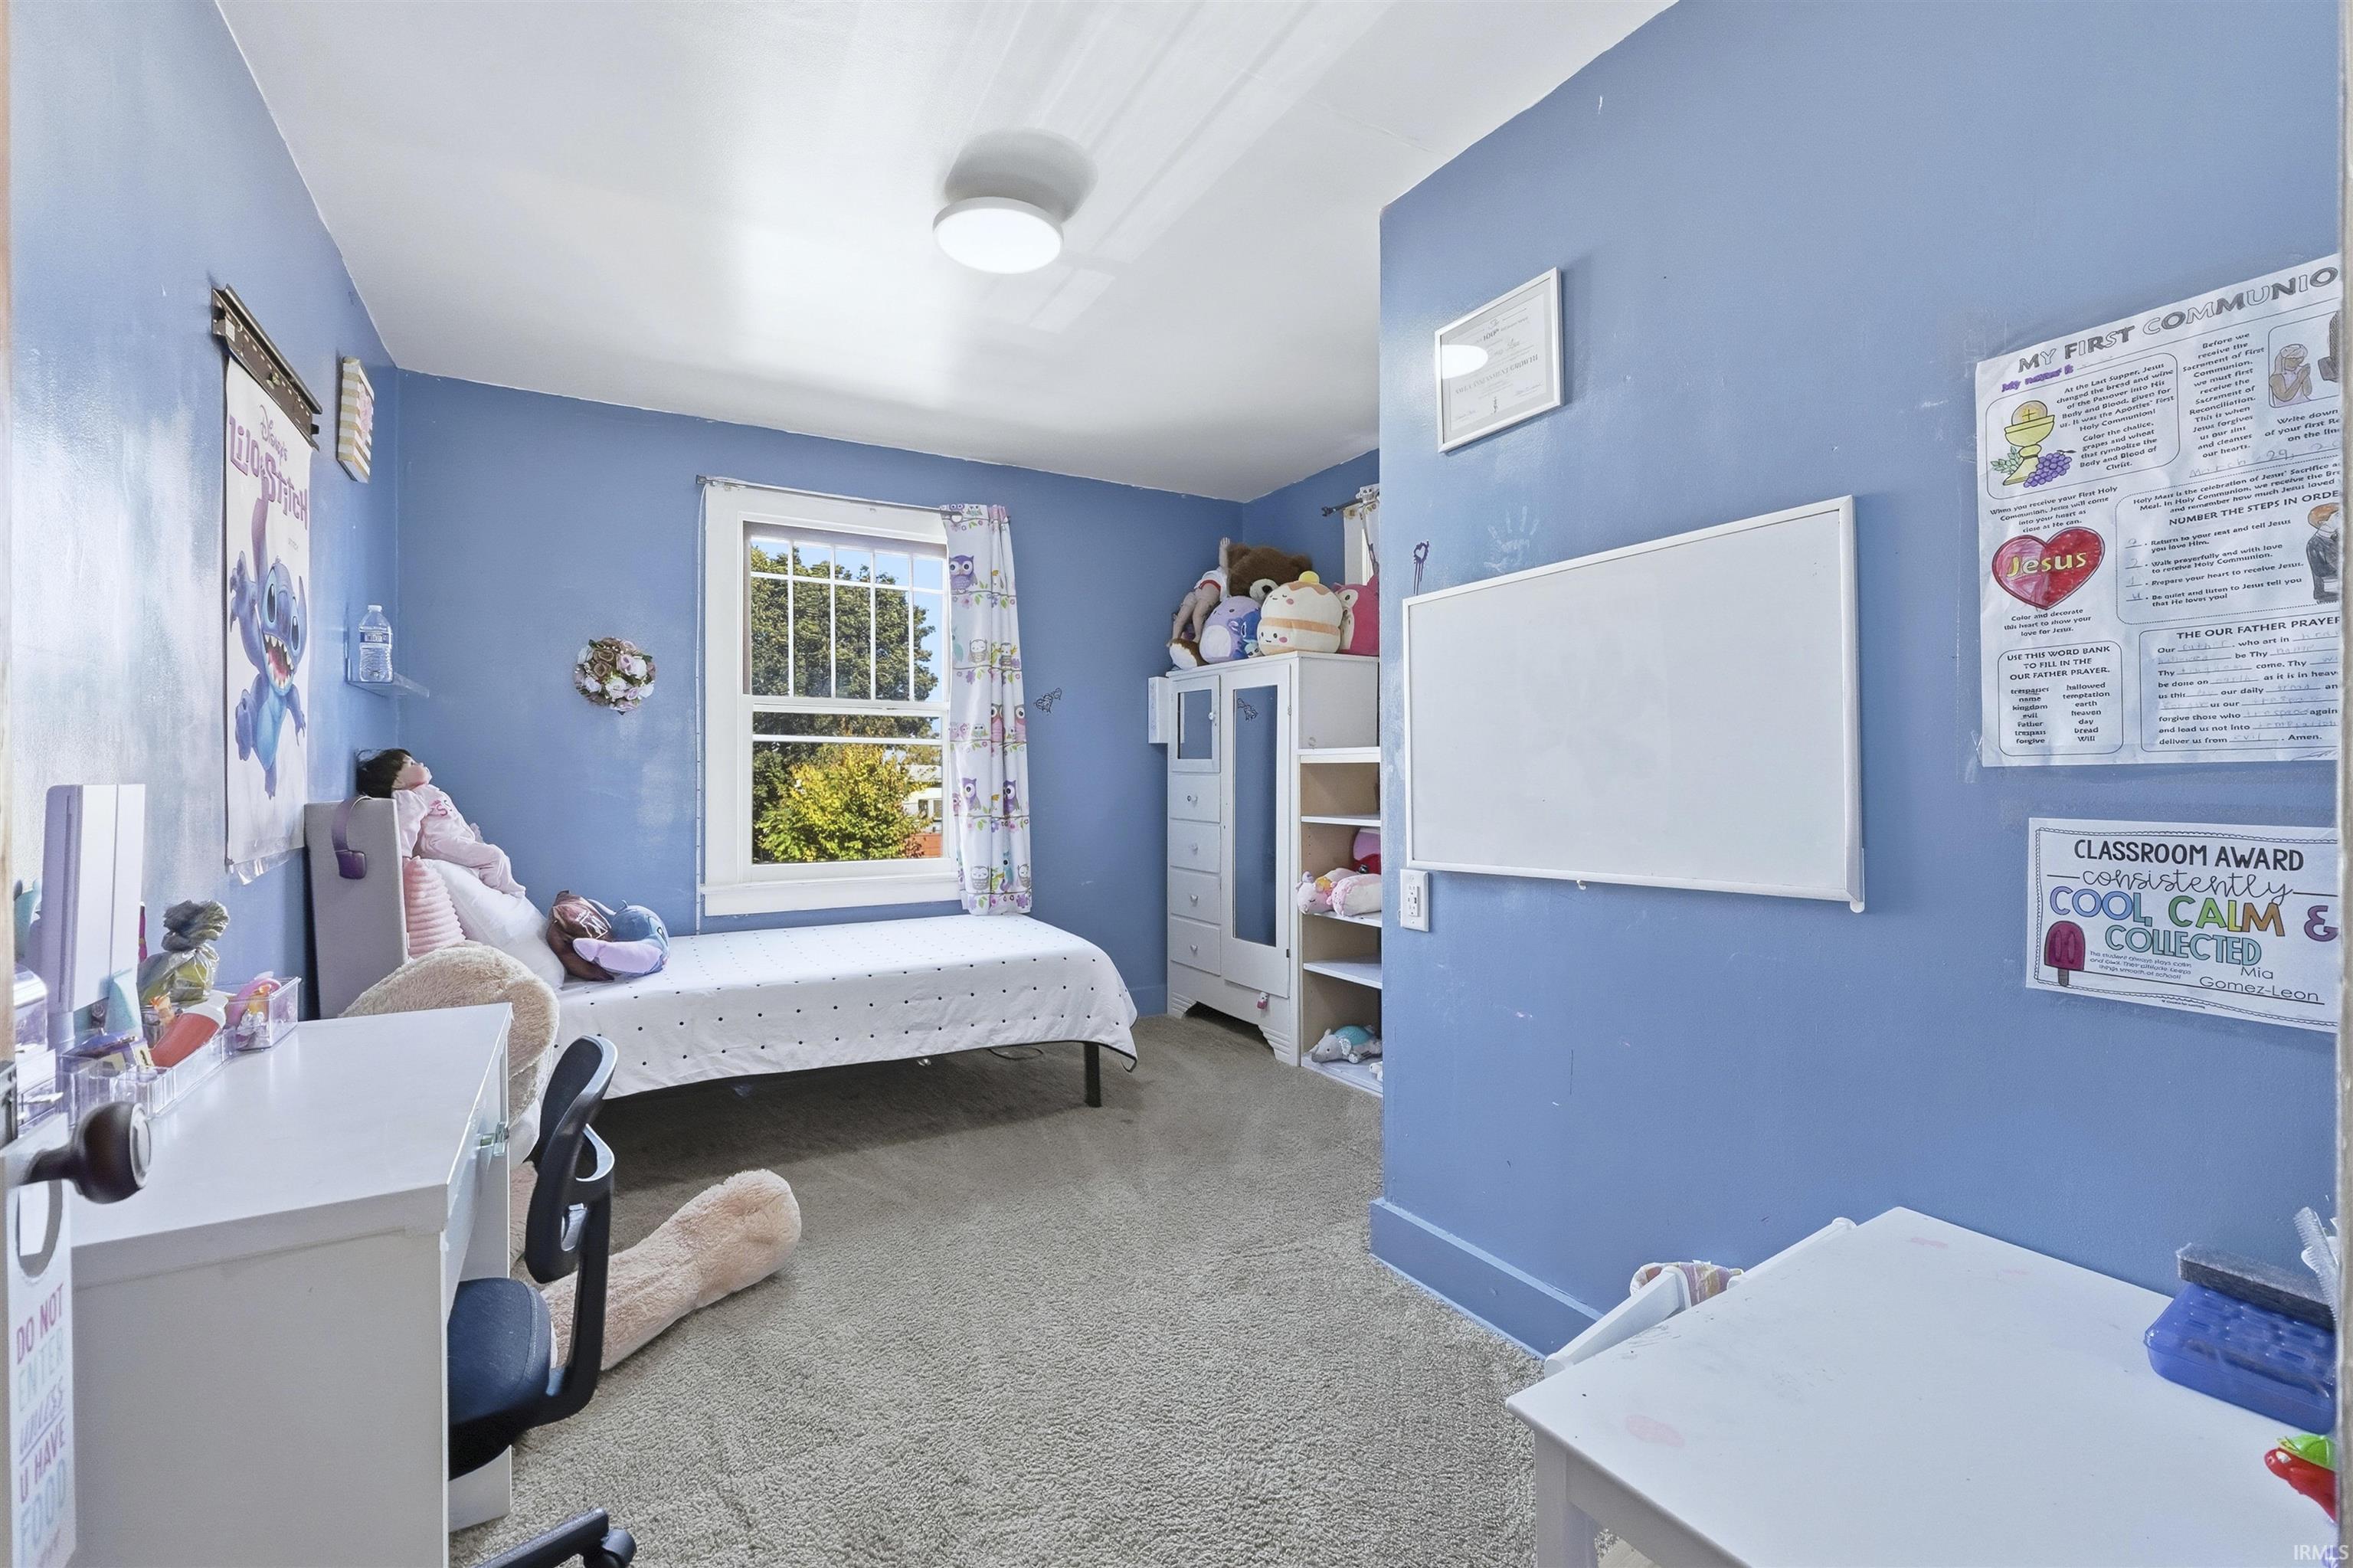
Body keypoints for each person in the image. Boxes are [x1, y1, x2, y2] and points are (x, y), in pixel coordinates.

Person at [355, 748, 525, 895]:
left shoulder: (429, 791)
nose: (420, 764)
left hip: (454, 840)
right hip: (439, 843)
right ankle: (507, 892)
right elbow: (407, 824)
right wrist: (403, 855)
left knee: (490, 857)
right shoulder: (409, 797)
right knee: (495, 856)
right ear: (398, 781)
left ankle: (493, 885)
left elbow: (454, 820)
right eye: (412, 764)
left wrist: (472, 838)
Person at [2306, 503, 2341, 604]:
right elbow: (2321, 570)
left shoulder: (2338, 538)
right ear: (2322, 522)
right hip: (2330, 594)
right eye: (2338, 516)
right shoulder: (2314, 543)